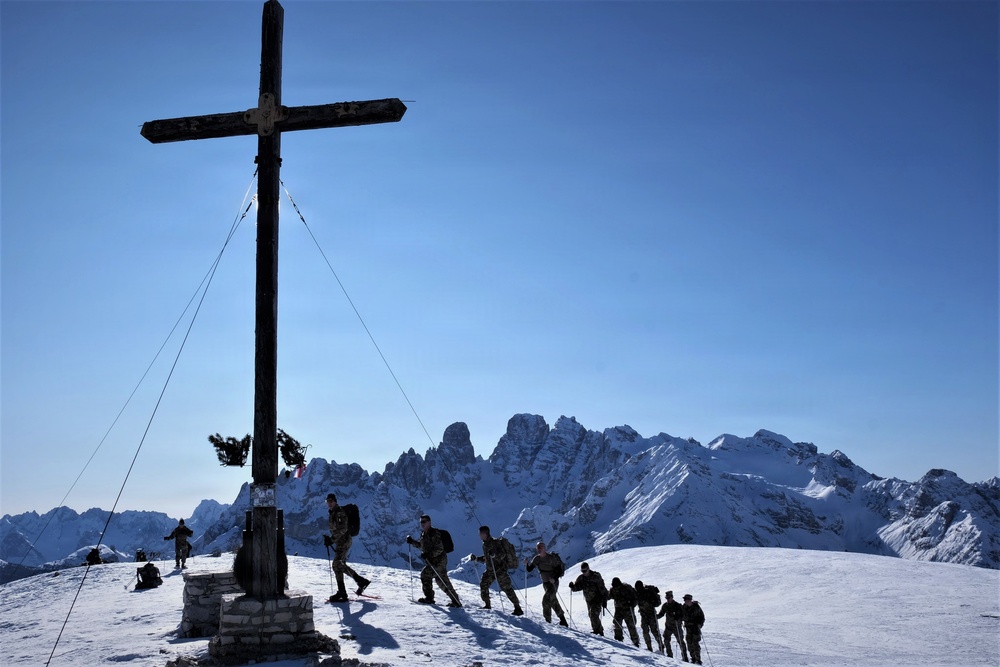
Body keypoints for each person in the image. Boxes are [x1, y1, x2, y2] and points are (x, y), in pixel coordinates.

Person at [406, 514, 462, 607]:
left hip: (439, 561)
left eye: (424, 522)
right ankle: (455, 600)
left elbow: (439, 549)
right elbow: (422, 546)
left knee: (426, 574)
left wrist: (428, 555)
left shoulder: (434, 533)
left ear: (429, 522)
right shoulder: (424, 534)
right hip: (433, 561)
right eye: (421, 522)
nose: (422, 524)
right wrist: (412, 542)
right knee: (442, 582)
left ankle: (429, 598)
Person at [324, 493, 371, 602]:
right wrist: (331, 539)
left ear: (335, 501)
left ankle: (345, 590)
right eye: (327, 502)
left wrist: (331, 539)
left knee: (337, 564)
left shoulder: (339, 512)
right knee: (339, 565)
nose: (329, 504)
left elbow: (343, 529)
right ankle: (349, 588)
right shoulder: (333, 513)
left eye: (331, 501)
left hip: (344, 541)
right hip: (341, 541)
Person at [469, 526, 522, 615]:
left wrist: (494, 555)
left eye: (481, 533)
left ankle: (518, 608)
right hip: (490, 569)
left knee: (506, 588)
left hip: (499, 569)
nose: (480, 535)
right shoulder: (484, 544)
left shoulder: (495, 542)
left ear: (486, 533)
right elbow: (487, 558)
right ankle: (487, 605)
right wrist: (477, 559)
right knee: (484, 585)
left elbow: (503, 554)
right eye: (479, 534)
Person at [524, 542, 568, 626]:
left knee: (546, 600)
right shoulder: (536, 559)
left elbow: (559, 570)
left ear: (544, 548)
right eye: (537, 547)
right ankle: (563, 621)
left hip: (553, 583)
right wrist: (526, 564)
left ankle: (547, 621)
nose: (539, 549)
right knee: (552, 600)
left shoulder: (551, 558)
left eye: (540, 547)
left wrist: (554, 579)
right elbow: (529, 569)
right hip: (545, 583)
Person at [567, 562, 607, 635]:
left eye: (585, 571)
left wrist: (604, 599)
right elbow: (578, 587)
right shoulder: (581, 578)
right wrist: (572, 586)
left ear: (588, 569)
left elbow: (602, 588)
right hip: (589, 600)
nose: (583, 573)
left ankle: (599, 632)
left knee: (593, 614)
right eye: (582, 571)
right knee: (591, 615)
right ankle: (597, 630)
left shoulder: (596, 577)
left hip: (597, 599)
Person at [607, 577, 640, 647]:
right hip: (618, 610)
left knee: (631, 626)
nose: (616, 588)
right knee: (617, 624)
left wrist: (632, 603)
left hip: (628, 610)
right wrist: (604, 600)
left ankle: (635, 642)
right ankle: (618, 640)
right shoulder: (613, 589)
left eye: (617, 586)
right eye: (614, 586)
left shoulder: (627, 588)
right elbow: (609, 596)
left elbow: (636, 597)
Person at [657, 590, 688, 661]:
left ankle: (685, 658)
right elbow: (661, 613)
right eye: (667, 598)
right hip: (668, 626)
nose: (668, 599)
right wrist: (657, 616)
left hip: (677, 626)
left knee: (680, 641)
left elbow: (684, 616)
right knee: (666, 640)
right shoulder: (665, 605)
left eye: (669, 598)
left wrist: (678, 617)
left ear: (672, 597)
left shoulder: (678, 606)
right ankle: (669, 655)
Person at [635, 580, 665, 653]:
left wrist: (653, 602)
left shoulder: (648, 592)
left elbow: (657, 603)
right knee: (645, 632)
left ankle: (661, 646)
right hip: (643, 615)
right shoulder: (637, 594)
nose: (638, 589)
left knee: (654, 631)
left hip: (651, 615)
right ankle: (649, 648)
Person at [682, 593, 706, 665]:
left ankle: (698, 659)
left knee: (695, 643)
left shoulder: (696, 607)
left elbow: (702, 617)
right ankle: (693, 658)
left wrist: (700, 624)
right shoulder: (684, 607)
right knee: (689, 643)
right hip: (688, 628)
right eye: (685, 600)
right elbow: (681, 615)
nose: (686, 601)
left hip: (695, 628)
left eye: (687, 600)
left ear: (690, 600)